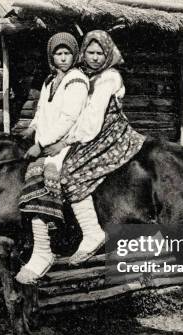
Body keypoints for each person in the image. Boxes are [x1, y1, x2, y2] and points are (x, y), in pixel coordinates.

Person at [61, 30, 146, 265]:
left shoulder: (109, 77)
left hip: (109, 133)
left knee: (71, 173)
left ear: (107, 55)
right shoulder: (83, 75)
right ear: (83, 52)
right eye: (91, 52)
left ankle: (91, 232)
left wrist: (71, 138)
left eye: (100, 53)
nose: (95, 57)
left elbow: (94, 116)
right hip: (91, 131)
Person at [16, 32, 90, 284]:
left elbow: (69, 118)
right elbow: (41, 111)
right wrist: (31, 128)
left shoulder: (77, 80)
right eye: (58, 53)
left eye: (67, 53)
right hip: (47, 140)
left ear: (75, 55)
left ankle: (46, 250)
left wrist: (42, 144)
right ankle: (39, 244)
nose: (63, 58)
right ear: (51, 56)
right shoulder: (50, 81)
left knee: (43, 176)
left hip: (68, 140)